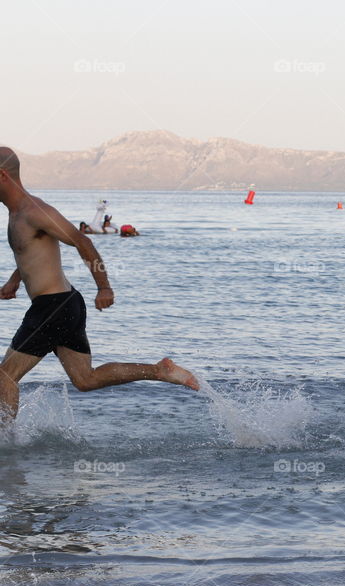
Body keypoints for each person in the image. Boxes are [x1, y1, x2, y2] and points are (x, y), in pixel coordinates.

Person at [0, 147, 199, 425]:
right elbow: (31, 254)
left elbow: (83, 241)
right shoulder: (18, 213)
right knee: (85, 379)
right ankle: (159, 371)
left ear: (2, 175)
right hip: (62, 305)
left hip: (53, 307)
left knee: (5, 377)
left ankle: (7, 450)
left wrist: (104, 287)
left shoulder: (34, 211)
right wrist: (14, 280)